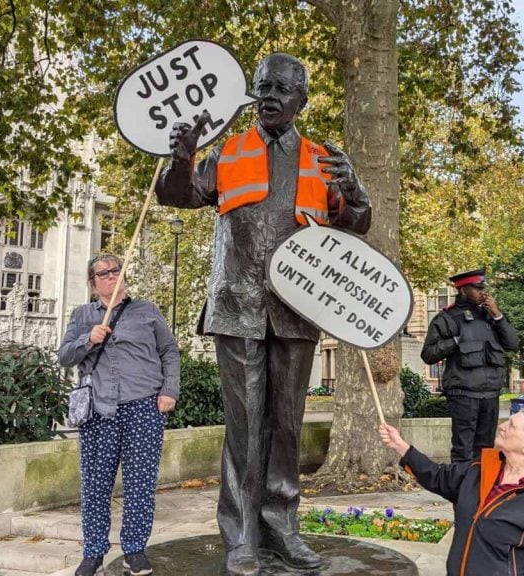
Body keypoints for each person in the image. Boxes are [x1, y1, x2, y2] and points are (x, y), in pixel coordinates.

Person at [155, 53, 371, 575]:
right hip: (238, 306)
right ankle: (242, 538)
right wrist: (182, 159)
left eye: (282, 88)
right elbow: (176, 195)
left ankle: (282, 528)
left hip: (298, 311)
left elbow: (356, 225)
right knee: (244, 427)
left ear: (301, 100)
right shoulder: (228, 150)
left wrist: (355, 190)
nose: (270, 95)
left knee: (288, 427)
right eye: (263, 86)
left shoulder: (323, 159)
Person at [58, 254, 180, 576]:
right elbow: (64, 356)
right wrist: (88, 339)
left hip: (143, 406)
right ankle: (94, 553)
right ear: (93, 282)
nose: (112, 276)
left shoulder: (147, 311)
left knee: (140, 483)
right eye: (104, 273)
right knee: (95, 485)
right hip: (99, 409)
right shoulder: (83, 315)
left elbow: (169, 351)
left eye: (116, 271)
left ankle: (135, 550)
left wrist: (169, 390)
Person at [379, 409, 524, 576]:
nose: (502, 426)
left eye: (511, 426)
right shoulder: (479, 470)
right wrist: (400, 445)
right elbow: (438, 476)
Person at [421, 269, 519, 463]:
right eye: (477, 288)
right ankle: (461, 490)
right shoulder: (446, 319)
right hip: (464, 394)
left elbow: (512, 344)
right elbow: (428, 354)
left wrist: (498, 315)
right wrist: (456, 341)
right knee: (463, 449)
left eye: (483, 288)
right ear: (463, 290)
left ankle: (480, 490)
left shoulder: (490, 317)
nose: (483, 292)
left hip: (490, 393)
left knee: (486, 449)